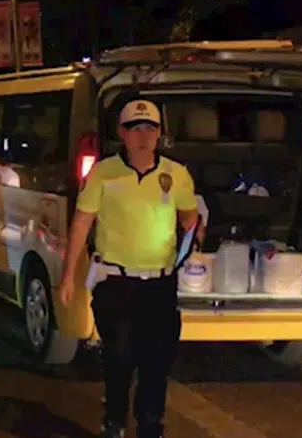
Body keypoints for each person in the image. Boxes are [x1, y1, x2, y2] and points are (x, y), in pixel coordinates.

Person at [58, 98, 201, 438]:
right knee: (119, 357)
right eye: (135, 128)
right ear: (122, 133)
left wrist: (194, 234)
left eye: (150, 128)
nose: (142, 136)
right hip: (116, 283)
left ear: (160, 134)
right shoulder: (103, 173)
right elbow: (81, 224)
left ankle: (151, 426)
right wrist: (68, 277)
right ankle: (115, 421)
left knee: (157, 362)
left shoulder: (175, 174)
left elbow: (189, 217)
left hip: (160, 285)